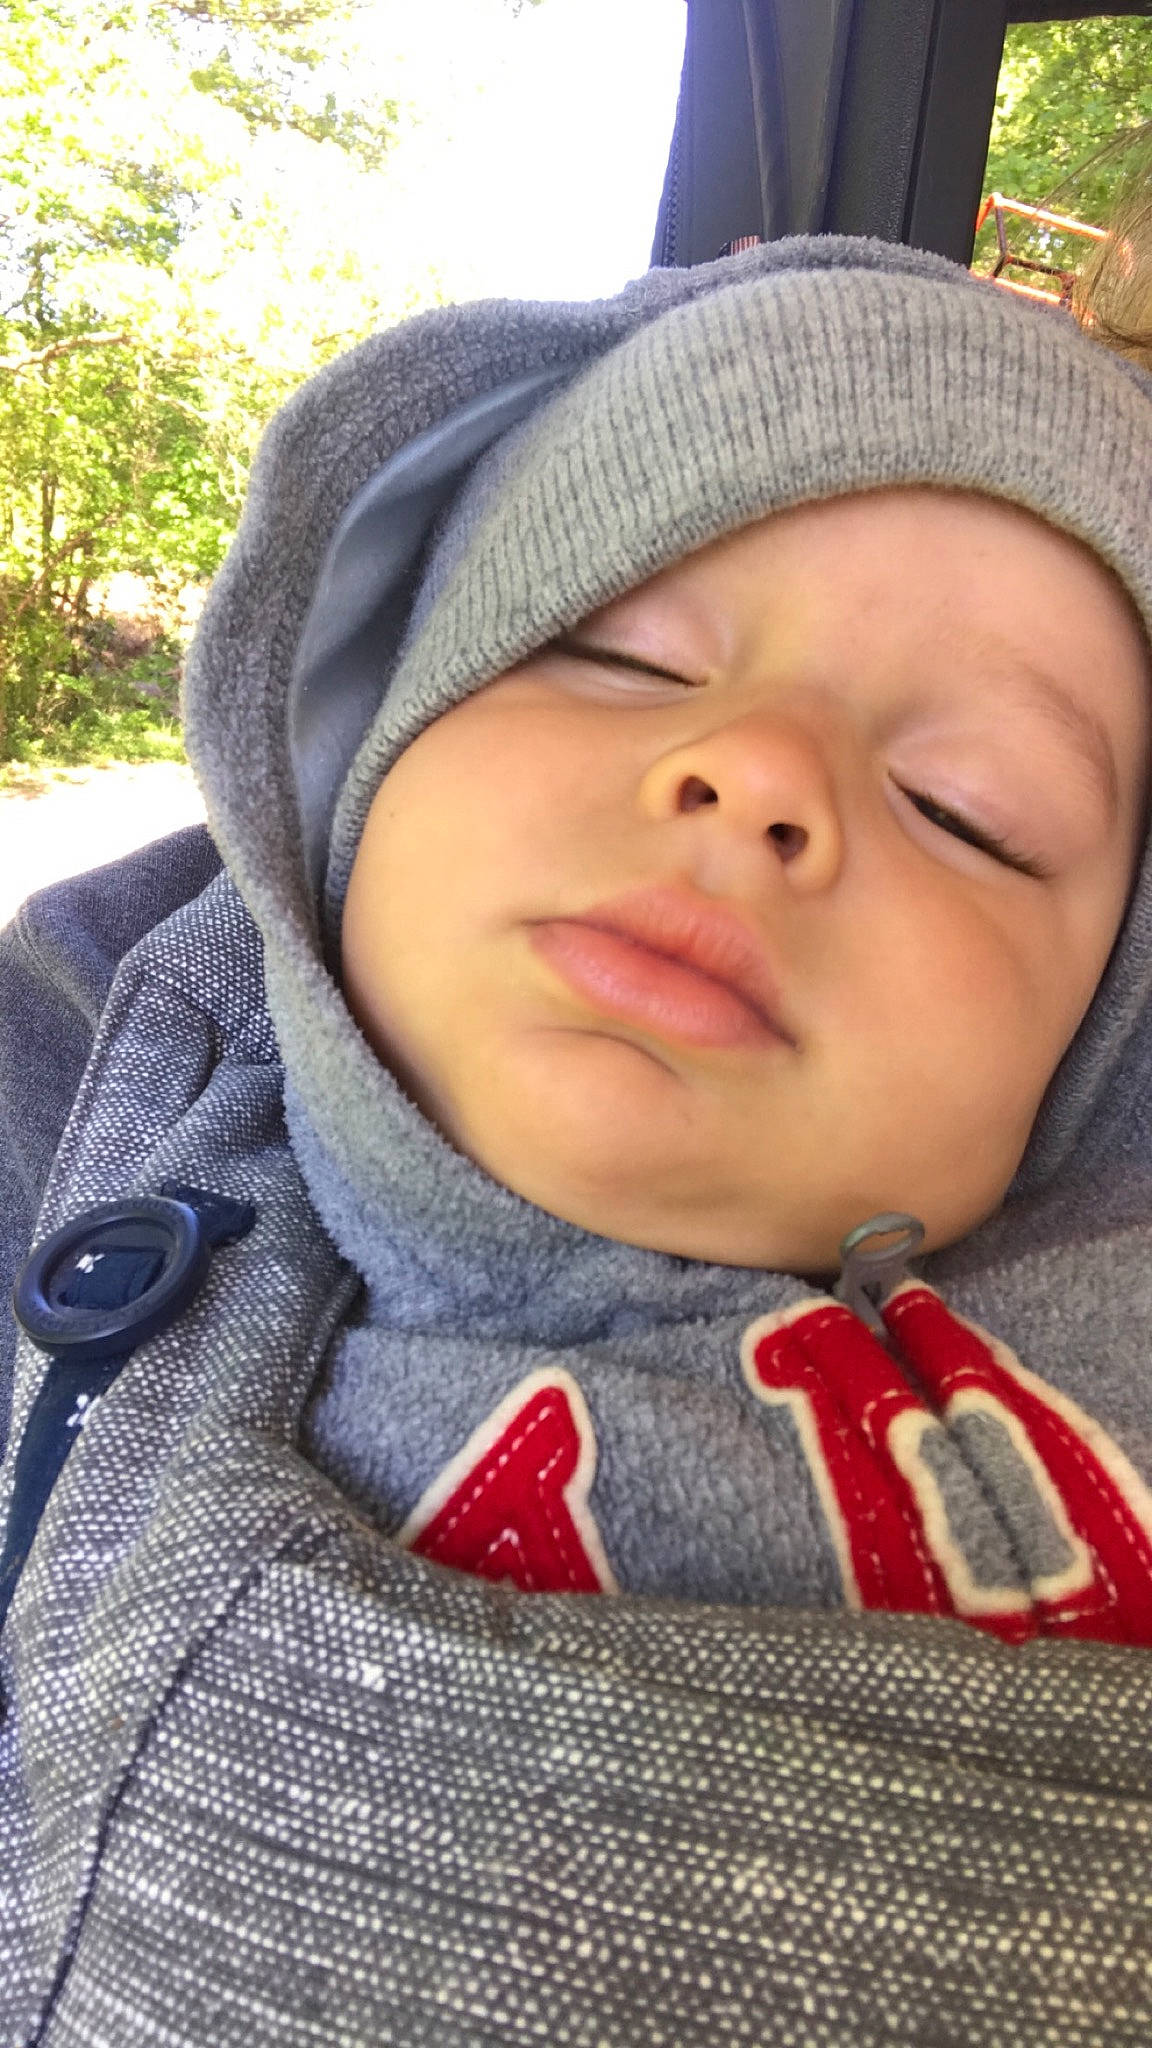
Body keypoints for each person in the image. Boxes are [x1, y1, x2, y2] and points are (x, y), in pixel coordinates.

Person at [3, 233, 1152, 2043]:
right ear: (357, 781)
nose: (759, 771)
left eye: (969, 811)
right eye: (619, 654)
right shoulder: (91, 1114)